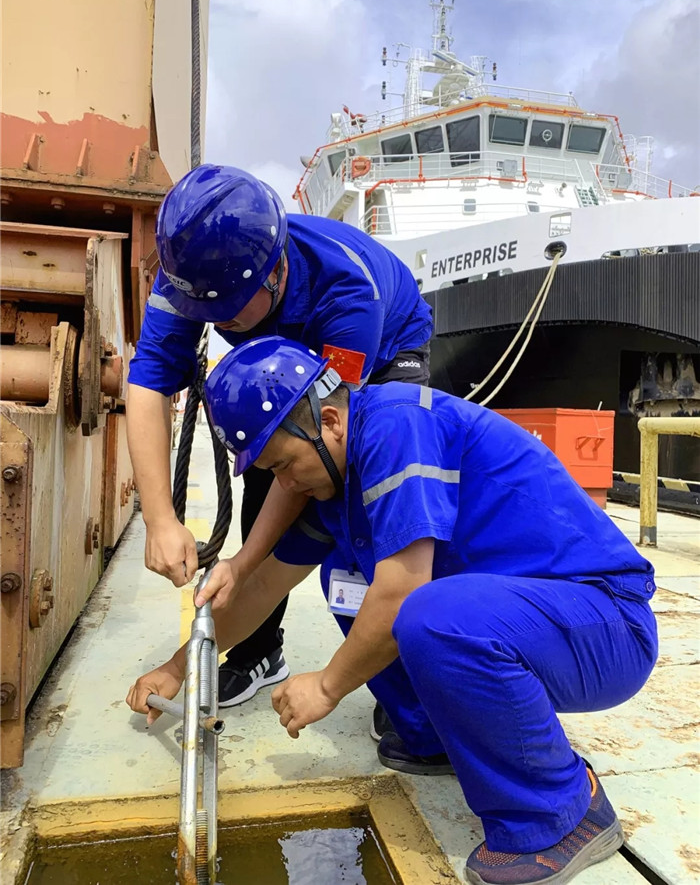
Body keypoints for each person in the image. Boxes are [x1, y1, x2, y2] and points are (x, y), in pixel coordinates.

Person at [127, 337, 658, 885]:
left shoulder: (397, 425)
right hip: (524, 618)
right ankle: (432, 737)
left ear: (329, 421)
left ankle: (561, 812)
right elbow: (264, 587)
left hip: (604, 622)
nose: (285, 486)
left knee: (426, 612)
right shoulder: (339, 479)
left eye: (283, 465)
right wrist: (177, 670)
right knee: (348, 576)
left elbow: (402, 594)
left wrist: (328, 685)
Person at [126, 164, 432, 711]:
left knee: (363, 494)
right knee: (265, 472)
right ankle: (260, 651)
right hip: (289, 339)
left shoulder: (346, 297)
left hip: (388, 347)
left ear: (274, 273)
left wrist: (246, 563)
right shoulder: (192, 271)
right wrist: (160, 519)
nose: (214, 322)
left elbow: (318, 444)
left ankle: (400, 673)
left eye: (224, 313)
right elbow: (148, 382)